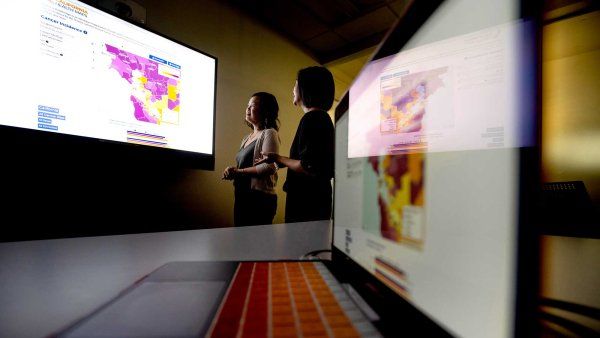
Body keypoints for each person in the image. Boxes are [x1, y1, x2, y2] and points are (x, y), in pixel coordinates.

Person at [256, 66, 335, 223]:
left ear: (306, 88)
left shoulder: (312, 118)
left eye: (295, 84)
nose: (293, 89)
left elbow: (308, 166)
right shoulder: (322, 118)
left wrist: (278, 158)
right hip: (317, 201)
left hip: (306, 203)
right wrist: (281, 160)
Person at [222, 92, 280, 226]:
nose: (248, 108)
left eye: (253, 105)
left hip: (259, 199)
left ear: (265, 110)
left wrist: (238, 172)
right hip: (242, 196)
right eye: (247, 105)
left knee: (256, 244)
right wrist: (232, 172)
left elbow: (269, 167)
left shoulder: (270, 133)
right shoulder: (246, 138)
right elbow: (243, 166)